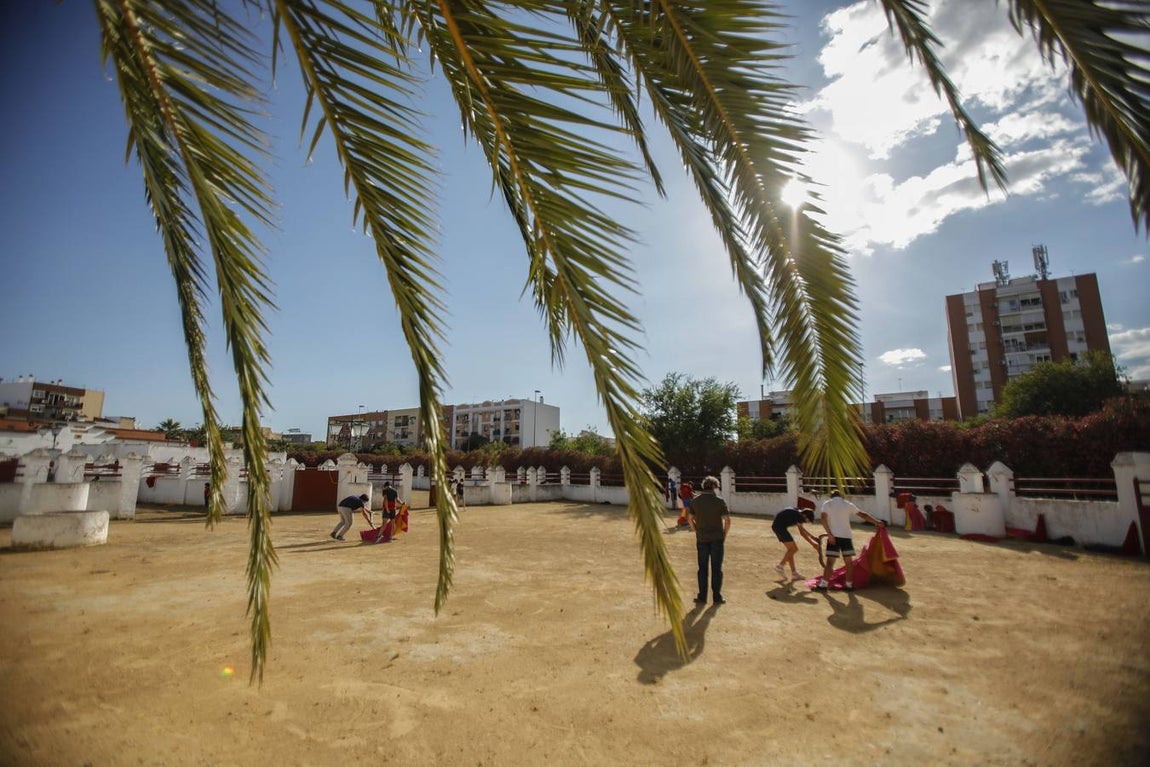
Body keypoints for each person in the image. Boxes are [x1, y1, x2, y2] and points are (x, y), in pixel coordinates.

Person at [814, 490, 883, 592]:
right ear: (841, 497)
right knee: (849, 562)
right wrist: (876, 522)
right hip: (846, 536)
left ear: (831, 497)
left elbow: (823, 519)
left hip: (834, 537)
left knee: (830, 562)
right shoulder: (847, 504)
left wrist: (829, 534)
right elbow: (862, 515)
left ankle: (823, 585)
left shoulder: (827, 504)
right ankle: (849, 585)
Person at [688, 476, 730, 605]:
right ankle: (717, 597)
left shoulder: (695, 501)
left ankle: (702, 597)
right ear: (714, 487)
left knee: (702, 568)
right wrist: (724, 535)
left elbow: (690, 519)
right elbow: (727, 520)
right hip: (717, 538)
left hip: (701, 538)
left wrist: (696, 530)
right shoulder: (719, 501)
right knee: (717, 568)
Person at [771, 506, 818, 580]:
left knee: (791, 551)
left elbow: (802, 529)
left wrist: (812, 537)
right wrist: (813, 544)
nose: (806, 521)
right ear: (804, 515)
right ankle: (780, 566)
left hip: (778, 527)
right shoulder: (798, 516)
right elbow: (802, 533)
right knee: (794, 549)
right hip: (780, 528)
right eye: (807, 519)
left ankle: (794, 573)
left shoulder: (798, 513)